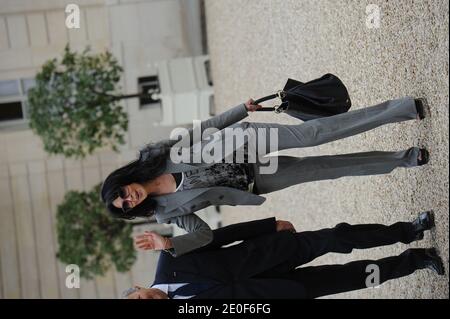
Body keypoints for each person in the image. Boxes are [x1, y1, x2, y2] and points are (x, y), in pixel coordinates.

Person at [101, 97, 430, 256]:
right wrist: (170, 243)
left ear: (124, 179)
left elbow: (200, 131)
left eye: (124, 193)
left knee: (314, 134)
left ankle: (402, 110)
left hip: (245, 143)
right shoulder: (165, 211)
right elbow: (203, 235)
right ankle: (406, 158)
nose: (130, 198)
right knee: (328, 168)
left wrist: (241, 109)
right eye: (126, 205)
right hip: (255, 180)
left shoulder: (153, 157)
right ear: (132, 211)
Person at [123, 211, 444, 299]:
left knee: (338, 237)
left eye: (138, 300)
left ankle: (408, 230)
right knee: (356, 277)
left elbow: (217, 238)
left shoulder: (169, 258)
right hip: (282, 292)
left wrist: (268, 225)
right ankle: (419, 260)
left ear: (139, 288)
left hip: (270, 252)